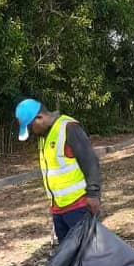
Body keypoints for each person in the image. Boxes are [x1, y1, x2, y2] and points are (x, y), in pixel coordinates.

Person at [15, 99, 102, 243]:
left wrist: (93, 194)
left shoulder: (69, 128)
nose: (31, 133)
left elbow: (90, 161)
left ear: (39, 117)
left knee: (86, 251)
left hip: (79, 205)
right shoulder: (44, 136)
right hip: (58, 208)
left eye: (30, 128)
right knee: (67, 251)